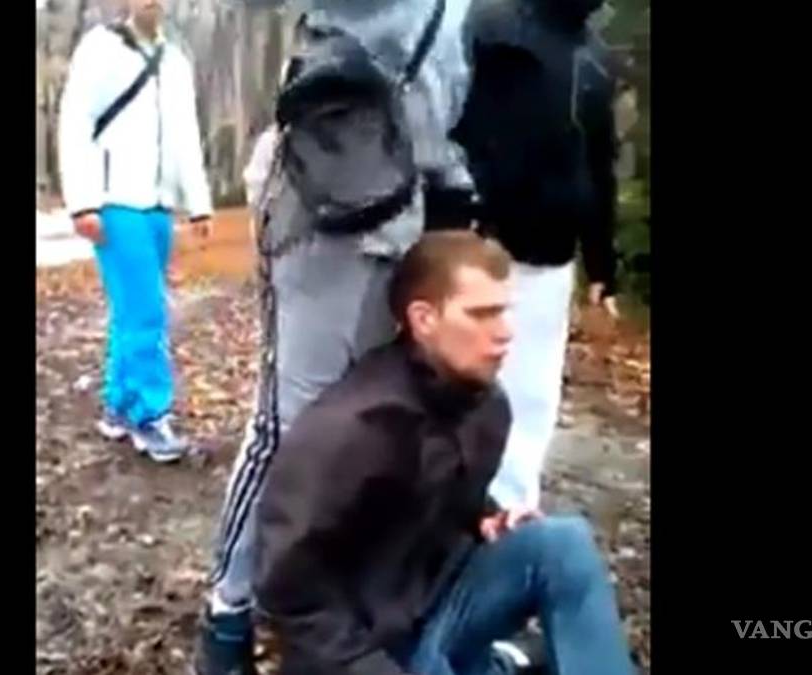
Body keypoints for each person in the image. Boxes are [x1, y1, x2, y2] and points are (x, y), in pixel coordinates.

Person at [196, 2, 479, 672]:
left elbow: (449, 102)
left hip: (406, 215)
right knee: (290, 423)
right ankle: (228, 612)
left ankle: (326, 601)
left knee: (376, 419)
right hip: (317, 204)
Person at [253, 231, 636, 675]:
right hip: (368, 648)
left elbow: (443, 495)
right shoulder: (354, 429)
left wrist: (487, 519)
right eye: (481, 314)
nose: (505, 333)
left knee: (561, 544)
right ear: (424, 319)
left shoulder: (485, 404)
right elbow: (286, 588)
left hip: (440, 604)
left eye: (504, 311)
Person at [450, 0, 620, 510]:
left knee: (533, 394)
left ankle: (513, 506)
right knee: (460, 383)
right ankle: (449, 509)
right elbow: (451, 124)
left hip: (552, 257)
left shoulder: (594, 57)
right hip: (480, 246)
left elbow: (599, 163)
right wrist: (464, 217)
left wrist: (602, 264)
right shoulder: (490, 27)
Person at [58, 0, 213, 462]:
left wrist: (199, 203)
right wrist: (82, 202)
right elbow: (75, 124)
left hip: (158, 205)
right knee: (147, 312)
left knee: (132, 311)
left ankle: (120, 406)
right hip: (115, 203)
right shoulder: (100, 48)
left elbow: (186, 136)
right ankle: (150, 415)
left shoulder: (175, 60)